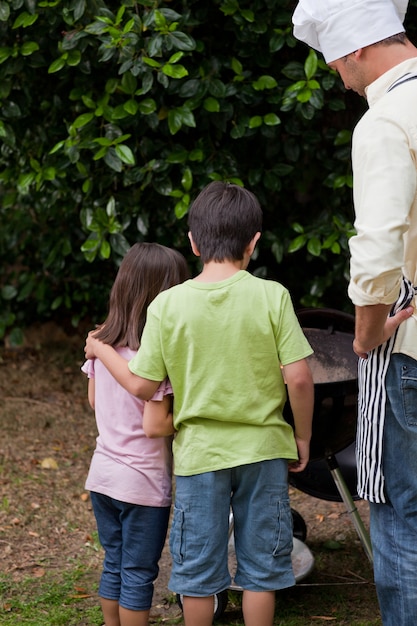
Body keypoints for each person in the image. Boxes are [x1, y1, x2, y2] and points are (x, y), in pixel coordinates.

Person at [84, 181, 314, 626]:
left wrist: (99, 350)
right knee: (261, 572)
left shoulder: (168, 305)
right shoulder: (273, 296)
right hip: (264, 451)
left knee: (197, 573)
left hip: (199, 457)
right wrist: (301, 434)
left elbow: (142, 384)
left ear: (192, 242)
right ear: (255, 242)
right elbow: (300, 377)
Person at [292, 2, 417, 624]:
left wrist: (367, 339)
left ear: (354, 51)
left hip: (413, 348)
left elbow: (378, 252)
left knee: (402, 515)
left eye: (335, 63)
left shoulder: (386, 119)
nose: (340, 78)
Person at [81, 242, 189, 626]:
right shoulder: (153, 358)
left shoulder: (102, 347)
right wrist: (197, 416)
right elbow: (155, 424)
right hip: (142, 484)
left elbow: (95, 402)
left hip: (103, 476)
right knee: (139, 573)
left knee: (115, 563)